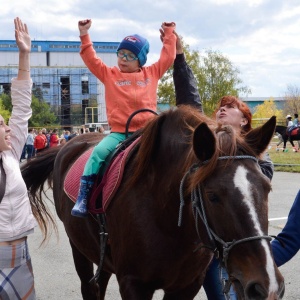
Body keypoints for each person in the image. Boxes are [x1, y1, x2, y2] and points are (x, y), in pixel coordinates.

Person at [171, 32, 274, 299]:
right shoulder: (209, 151)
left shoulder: (257, 161)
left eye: (231, 107)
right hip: (201, 248)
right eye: (219, 107)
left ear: (244, 122)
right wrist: (179, 56)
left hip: (233, 250)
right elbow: (189, 102)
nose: (221, 109)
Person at [71, 19, 177, 217]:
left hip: (148, 133)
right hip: (120, 134)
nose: (123, 59)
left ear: (140, 60)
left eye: (130, 55)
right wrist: (84, 34)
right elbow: (90, 58)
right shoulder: (109, 74)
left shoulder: (152, 73)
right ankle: (84, 196)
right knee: (98, 153)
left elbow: (168, 57)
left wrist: (169, 33)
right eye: (121, 54)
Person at [0, 17, 36, 299]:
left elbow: (22, 107)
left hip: (20, 253)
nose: (8, 127)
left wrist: (24, 55)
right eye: (1, 124)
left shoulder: (11, 154)